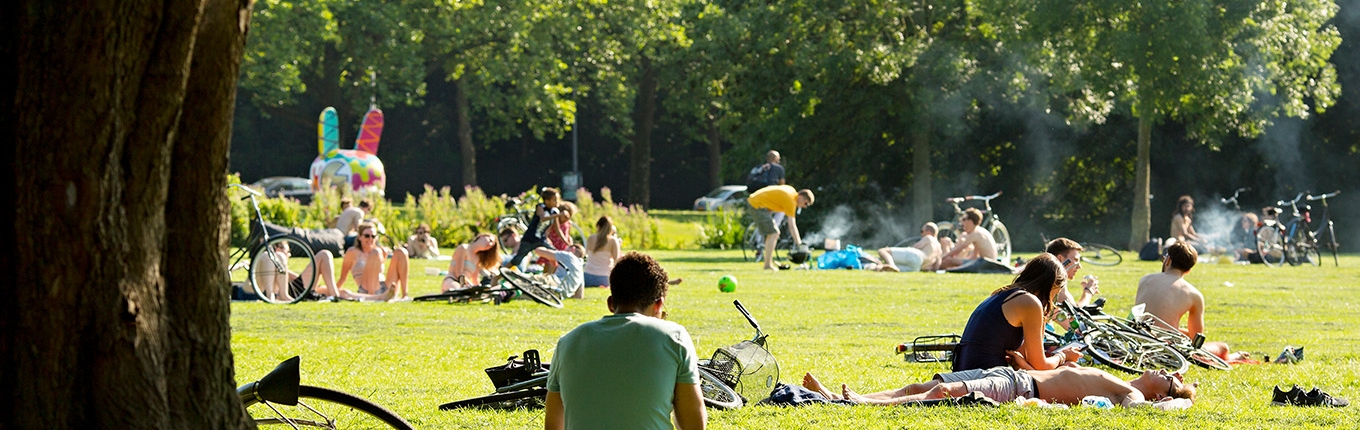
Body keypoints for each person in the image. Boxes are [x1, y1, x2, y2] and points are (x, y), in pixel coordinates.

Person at [544, 252, 706, 430]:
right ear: (659, 304)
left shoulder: (568, 342)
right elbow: (694, 426)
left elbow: (553, 425)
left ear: (611, 303)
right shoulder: (674, 337)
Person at [802, 366, 1195, 408]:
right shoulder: (1121, 379)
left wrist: (1183, 400)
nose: (1166, 372)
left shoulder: (1135, 395)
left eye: (1171, 380)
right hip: (1011, 374)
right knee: (921, 384)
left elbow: (1147, 410)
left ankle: (858, 405)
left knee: (942, 395)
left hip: (1023, 389)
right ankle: (841, 398)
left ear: (1161, 392)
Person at [952, 253, 1082, 372]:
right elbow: (1041, 366)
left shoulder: (1006, 294)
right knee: (1070, 369)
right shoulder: (1029, 302)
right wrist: (1063, 355)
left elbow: (1025, 358)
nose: (1053, 300)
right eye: (1056, 293)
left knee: (1070, 368)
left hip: (967, 369)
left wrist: (1042, 317)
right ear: (1051, 286)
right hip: (984, 376)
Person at [1134, 241, 1235, 360]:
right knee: (1223, 347)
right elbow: (1195, 339)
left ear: (1168, 260)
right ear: (1188, 270)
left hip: (1137, 338)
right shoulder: (1193, 294)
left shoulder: (1145, 280)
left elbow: (1150, 320)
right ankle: (1234, 357)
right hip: (1165, 347)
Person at [745, 185, 815, 271]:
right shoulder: (791, 201)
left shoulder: (791, 191)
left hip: (757, 202)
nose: (805, 206)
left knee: (773, 233)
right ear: (800, 197)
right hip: (757, 205)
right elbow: (792, 226)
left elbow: (773, 197)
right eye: (806, 203)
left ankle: (768, 262)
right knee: (773, 233)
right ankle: (767, 265)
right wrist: (799, 244)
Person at [335, 223, 410, 301]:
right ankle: (373, 296)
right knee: (375, 252)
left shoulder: (381, 251)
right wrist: (334, 291)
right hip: (366, 289)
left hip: (383, 286)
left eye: (373, 236)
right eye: (367, 236)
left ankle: (405, 295)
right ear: (360, 237)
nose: (370, 239)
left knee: (401, 251)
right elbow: (343, 277)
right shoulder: (352, 252)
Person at [252, 242, 341, 301]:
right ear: (278, 250)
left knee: (341, 291)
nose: (289, 254)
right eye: (287, 251)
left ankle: (336, 293)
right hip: (292, 290)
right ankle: (334, 294)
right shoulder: (269, 262)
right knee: (324, 254)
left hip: (296, 288)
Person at [508, 188, 569, 270]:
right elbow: (543, 218)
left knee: (555, 254)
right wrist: (558, 215)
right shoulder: (540, 207)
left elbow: (558, 230)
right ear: (547, 201)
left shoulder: (555, 211)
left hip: (541, 240)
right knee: (517, 260)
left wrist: (566, 242)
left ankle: (551, 276)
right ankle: (499, 275)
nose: (557, 202)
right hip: (529, 239)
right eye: (554, 200)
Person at [932, 208, 999, 271]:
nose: (961, 222)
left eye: (964, 219)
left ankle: (931, 268)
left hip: (985, 263)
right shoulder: (979, 231)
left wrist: (941, 259)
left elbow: (956, 251)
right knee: (952, 261)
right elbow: (974, 256)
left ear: (970, 221)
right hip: (986, 262)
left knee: (948, 261)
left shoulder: (975, 233)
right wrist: (961, 261)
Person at [1044, 238, 1100, 309]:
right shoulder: (1054, 281)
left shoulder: (1045, 275)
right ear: (1060, 259)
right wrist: (1088, 291)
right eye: (1076, 260)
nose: (1079, 266)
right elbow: (1075, 314)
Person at [876, 222, 942, 272]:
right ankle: (888, 266)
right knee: (884, 268)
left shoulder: (929, 238)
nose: (921, 234)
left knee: (883, 251)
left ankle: (891, 265)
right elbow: (936, 267)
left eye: (922, 231)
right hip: (917, 267)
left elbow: (915, 247)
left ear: (929, 232)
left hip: (916, 255)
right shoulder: (939, 247)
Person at [583, 216, 622, 288]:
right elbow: (616, 260)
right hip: (604, 278)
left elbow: (585, 254)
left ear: (598, 226)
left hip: (587, 276)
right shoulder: (613, 241)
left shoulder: (591, 238)